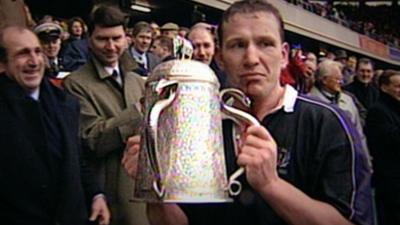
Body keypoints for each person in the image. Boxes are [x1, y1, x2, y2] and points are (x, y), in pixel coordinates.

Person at [137, 1, 373, 225]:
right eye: (238, 45)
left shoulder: (328, 122)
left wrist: (271, 185)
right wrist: (153, 181)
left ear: (283, 55)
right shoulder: (198, 125)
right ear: (220, 58)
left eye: (265, 44)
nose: (251, 59)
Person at [0, 25, 110, 225]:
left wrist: (95, 194)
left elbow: (76, 157)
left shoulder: (65, 103)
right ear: (3, 64)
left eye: (37, 52)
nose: (34, 62)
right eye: (23, 54)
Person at [62, 5, 148, 225]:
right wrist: (137, 112)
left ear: (126, 39)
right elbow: (91, 139)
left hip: (144, 192)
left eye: (116, 38)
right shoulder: (75, 84)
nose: (111, 46)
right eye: (102, 39)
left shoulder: (136, 80)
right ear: (89, 38)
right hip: (108, 197)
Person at [365, 70, 400, 225]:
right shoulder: (377, 111)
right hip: (390, 180)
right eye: (397, 86)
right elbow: (389, 141)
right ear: (384, 87)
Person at [187, 24, 228, 88]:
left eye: (206, 46)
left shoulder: (226, 80)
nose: (202, 53)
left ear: (214, 48)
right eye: (195, 46)